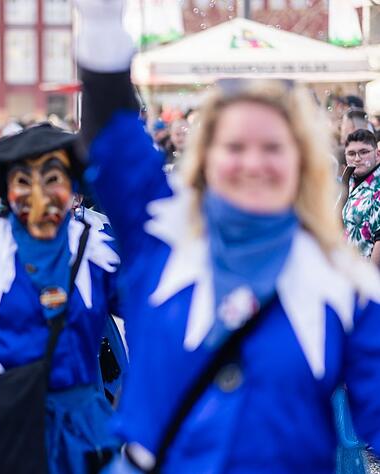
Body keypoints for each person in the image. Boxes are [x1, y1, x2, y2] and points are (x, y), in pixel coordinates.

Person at [76, 1, 380, 472]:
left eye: (273, 147)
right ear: (206, 159)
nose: (253, 163)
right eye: (235, 147)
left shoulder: (345, 284)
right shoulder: (161, 235)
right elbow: (113, 133)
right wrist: (99, 20)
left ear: (302, 162)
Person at [0, 123, 123, 474]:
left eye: (53, 179)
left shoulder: (96, 249)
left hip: (77, 422)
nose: (39, 194)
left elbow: (150, 312)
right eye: (24, 181)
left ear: (73, 185)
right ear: (8, 188)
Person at [340, 129, 380, 264]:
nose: (357, 159)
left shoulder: (377, 189)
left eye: (364, 152)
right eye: (351, 153)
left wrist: (369, 282)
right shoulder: (349, 180)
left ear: (377, 154)